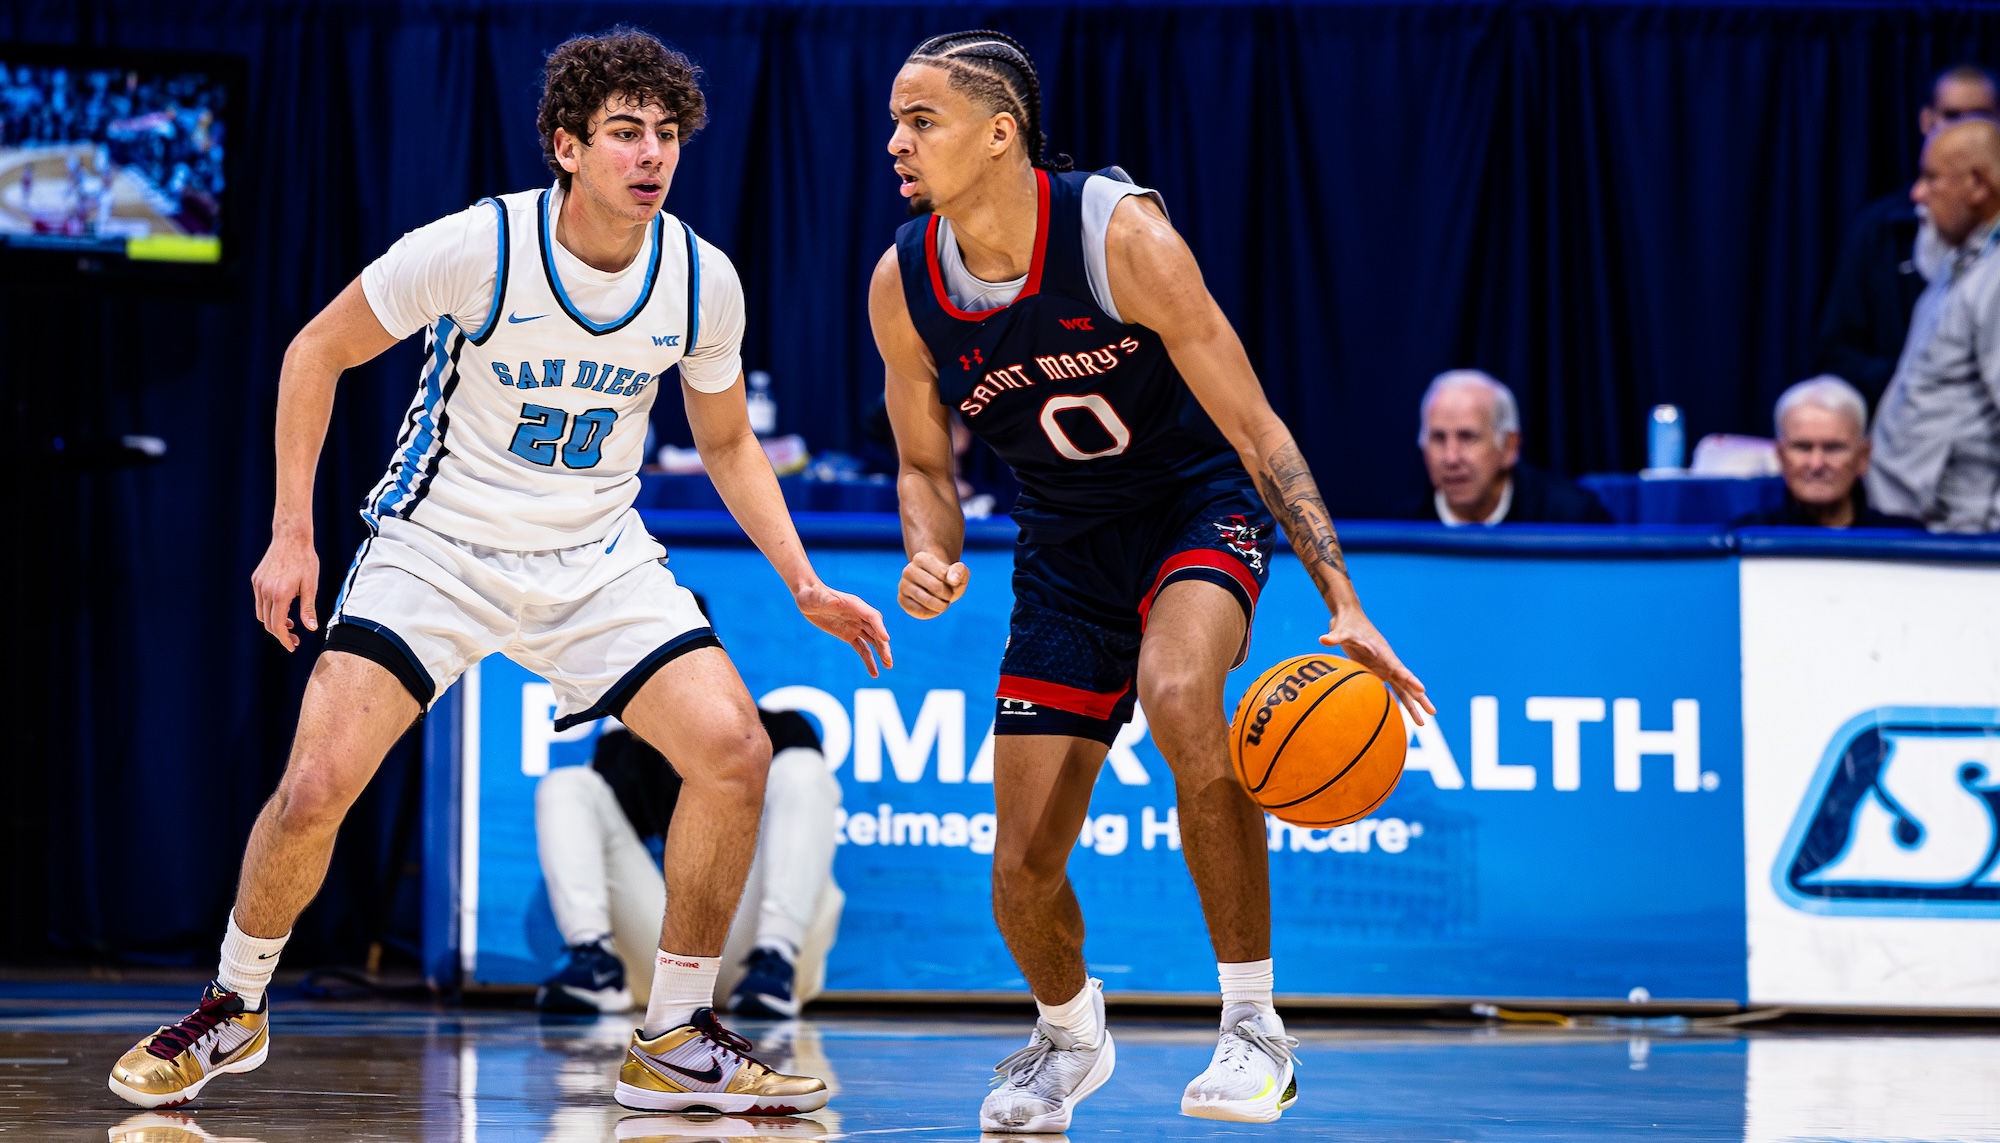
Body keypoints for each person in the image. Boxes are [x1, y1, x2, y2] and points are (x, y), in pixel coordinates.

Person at [107, 29, 890, 1116]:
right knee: (316, 787)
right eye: (624, 132)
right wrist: (292, 533)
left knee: (736, 752)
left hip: (595, 559)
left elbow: (724, 443)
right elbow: (314, 352)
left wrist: (801, 580)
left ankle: (673, 1035)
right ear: (566, 146)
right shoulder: (481, 247)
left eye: (666, 133)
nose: (651, 154)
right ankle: (233, 1006)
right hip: (439, 547)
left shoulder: (701, 278)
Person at [868, 30, 1431, 1132]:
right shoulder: (904, 281)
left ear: (1000, 133)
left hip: (1192, 509)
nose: (895, 141)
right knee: (1021, 867)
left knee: (1180, 693)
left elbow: (1256, 429)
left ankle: (1253, 1027)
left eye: (920, 120)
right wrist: (928, 550)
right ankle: (1069, 1035)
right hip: (1063, 550)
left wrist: (1343, 600)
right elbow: (923, 466)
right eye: (894, 121)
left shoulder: (1118, 234)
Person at [536, 699, 844, 1020]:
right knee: (567, 784)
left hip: (762, 945)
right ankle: (593, 960)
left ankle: (777, 955)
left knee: (803, 769)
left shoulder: (783, 728)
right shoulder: (630, 746)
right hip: (669, 960)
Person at [1814, 65, 1999, 407]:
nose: (1919, 194)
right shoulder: (1884, 229)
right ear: (1927, 121)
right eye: (1952, 116)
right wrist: (1908, 383)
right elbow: (1838, 347)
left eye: (1978, 116)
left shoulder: (1988, 274)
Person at [1868, 118, 2000, 533]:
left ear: (1978, 185)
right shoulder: (1959, 265)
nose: (1917, 194)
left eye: (1931, 178)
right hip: (1921, 527)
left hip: (1965, 536)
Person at [1391, 370, 1611, 525]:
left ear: (1509, 447)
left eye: (1467, 437)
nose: (1451, 458)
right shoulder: (1400, 532)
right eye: (1438, 438)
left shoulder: (1572, 520)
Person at [1730, 376, 1921, 529]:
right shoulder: (1745, 540)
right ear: (1780, 456)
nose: (1817, 464)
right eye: (1803, 447)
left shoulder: (1905, 541)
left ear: (1863, 456)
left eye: (1833, 448)